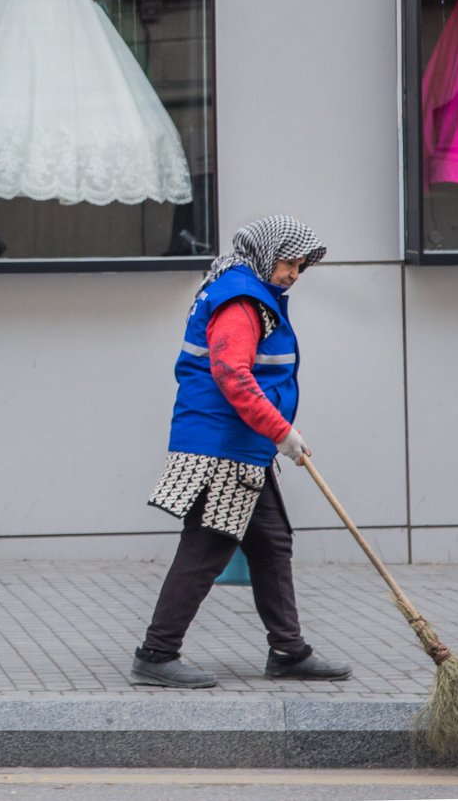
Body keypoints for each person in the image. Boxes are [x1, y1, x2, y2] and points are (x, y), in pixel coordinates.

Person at [130, 214, 352, 688]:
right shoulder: (242, 300)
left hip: (240, 444)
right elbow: (233, 375)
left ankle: (289, 651)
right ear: (265, 254)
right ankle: (156, 653)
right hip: (223, 447)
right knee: (207, 548)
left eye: (300, 266)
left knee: (271, 543)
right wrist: (280, 431)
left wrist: (275, 430)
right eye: (288, 263)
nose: (293, 274)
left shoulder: (245, 290)